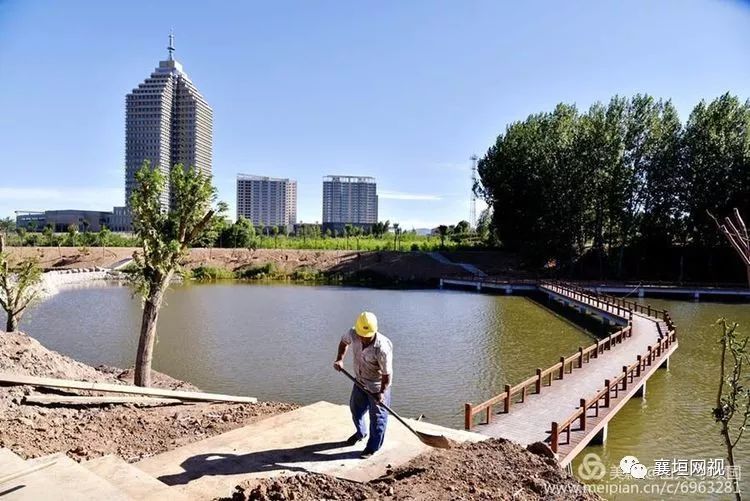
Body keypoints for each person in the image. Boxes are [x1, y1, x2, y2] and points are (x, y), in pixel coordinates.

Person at [333, 311, 393, 458]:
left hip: (377, 385)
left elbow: (387, 375)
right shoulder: (353, 333)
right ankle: (361, 433)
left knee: (378, 419)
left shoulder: (382, 348)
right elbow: (343, 342)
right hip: (359, 381)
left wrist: (381, 393)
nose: (364, 339)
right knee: (356, 410)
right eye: (361, 336)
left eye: (367, 336)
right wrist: (339, 359)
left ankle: (373, 447)